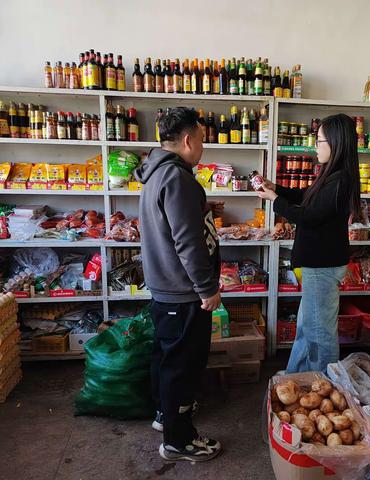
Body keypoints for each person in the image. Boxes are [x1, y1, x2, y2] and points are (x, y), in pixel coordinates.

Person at [135, 107, 222, 462]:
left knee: (166, 357)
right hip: (183, 290)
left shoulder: (156, 172)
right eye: (201, 138)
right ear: (188, 140)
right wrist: (206, 288)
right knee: (183, 365)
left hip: (165, 287)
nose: (202, 145)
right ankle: (178, 440)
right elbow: (188, 241)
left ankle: (165, 415)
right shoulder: (178, 179)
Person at [258, 113, 361, 373]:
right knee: (307, 327)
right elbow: (307, 197)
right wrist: (277, 189)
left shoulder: (340, 180)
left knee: (320, 333)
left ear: (336, 143)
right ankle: (297, 376)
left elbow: (309, 216)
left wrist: (274, 200)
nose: (315, 146)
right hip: (318, 265)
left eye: (319, 140)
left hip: (322, 266)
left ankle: (324, 383)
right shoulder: (331, 176)